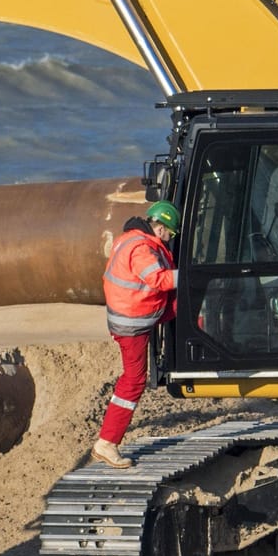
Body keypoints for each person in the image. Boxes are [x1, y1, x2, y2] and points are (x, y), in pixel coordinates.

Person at [91, 200, 180, 468]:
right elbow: (158, 280)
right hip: (133, 323)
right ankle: (107, 442)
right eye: (171, 234)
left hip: (135, 315)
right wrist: (189, 276)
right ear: (161, 227)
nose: (169, 239)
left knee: (180, 308)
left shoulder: (129, 239)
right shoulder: (142, 248)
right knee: (133, 381)